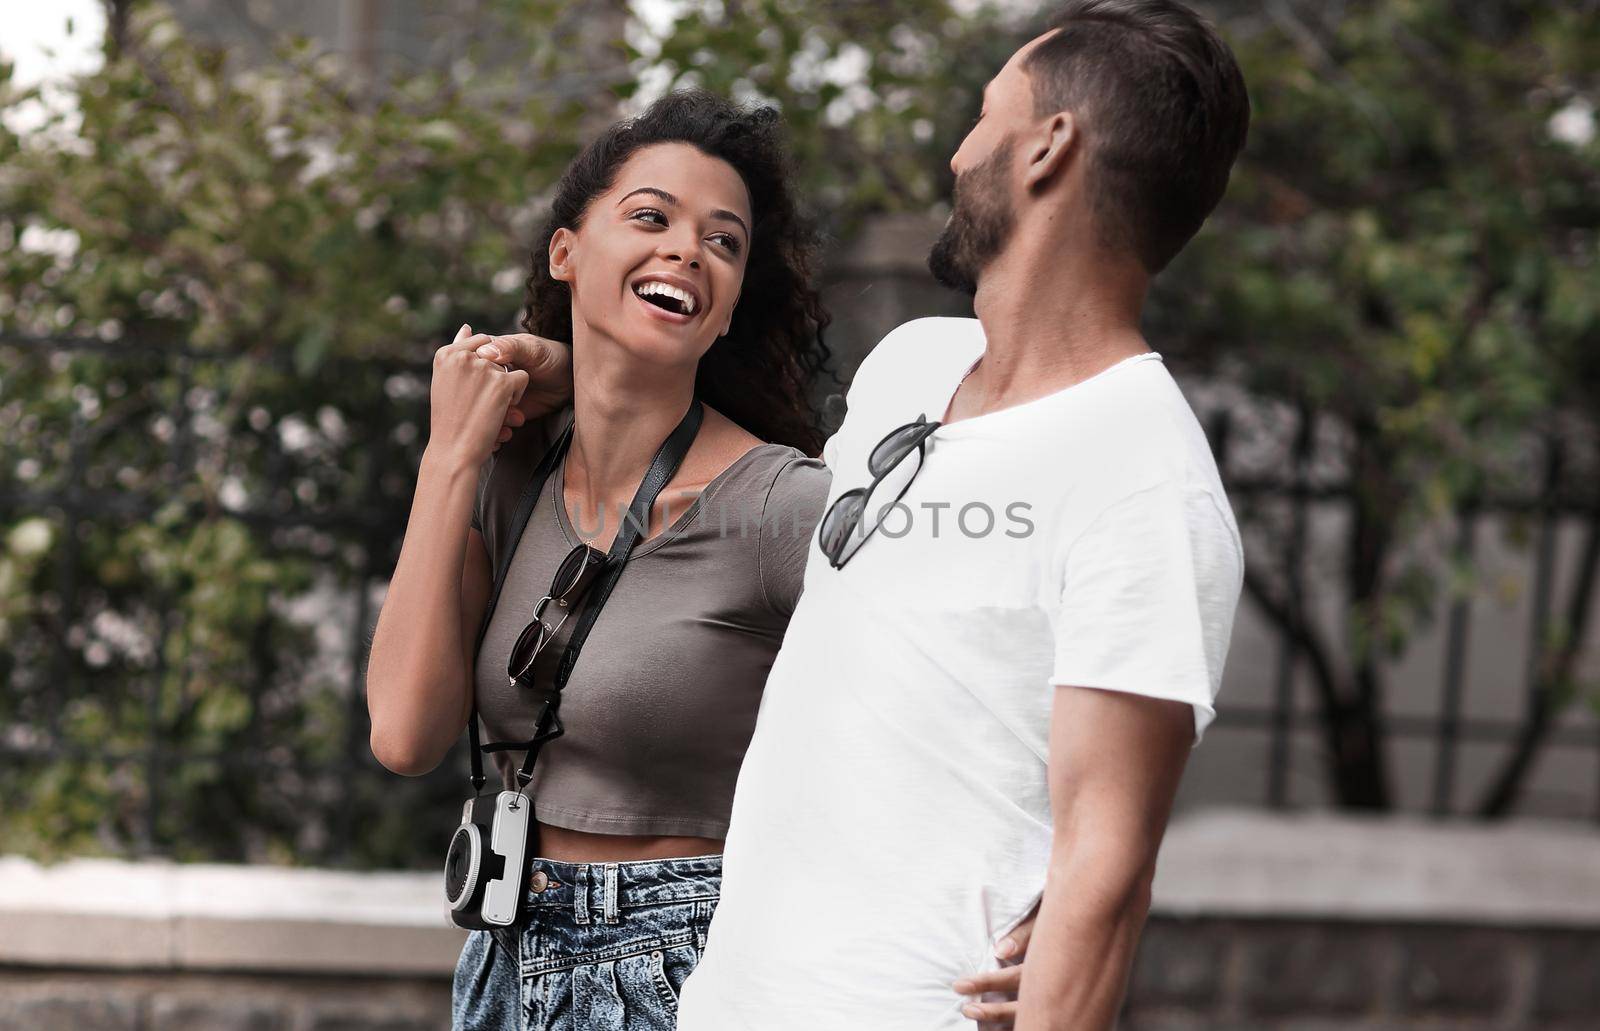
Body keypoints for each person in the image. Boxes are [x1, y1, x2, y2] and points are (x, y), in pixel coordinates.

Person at [670, 1, 1251, 1027]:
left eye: (984, 116)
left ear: (1047, 147)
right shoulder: (909, 368)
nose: (954, 156)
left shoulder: (1146, 480)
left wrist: (1071, 938)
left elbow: (1103, 875)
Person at [364, 90, 836, 1031]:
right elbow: (406, 735)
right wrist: (450, 455)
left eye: (724, 241)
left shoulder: (782, 503)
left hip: (691, 964)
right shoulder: (506, 471)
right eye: (651, 217)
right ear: (566, 254)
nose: (686, 250)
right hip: (503, 955)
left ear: (731, 305)